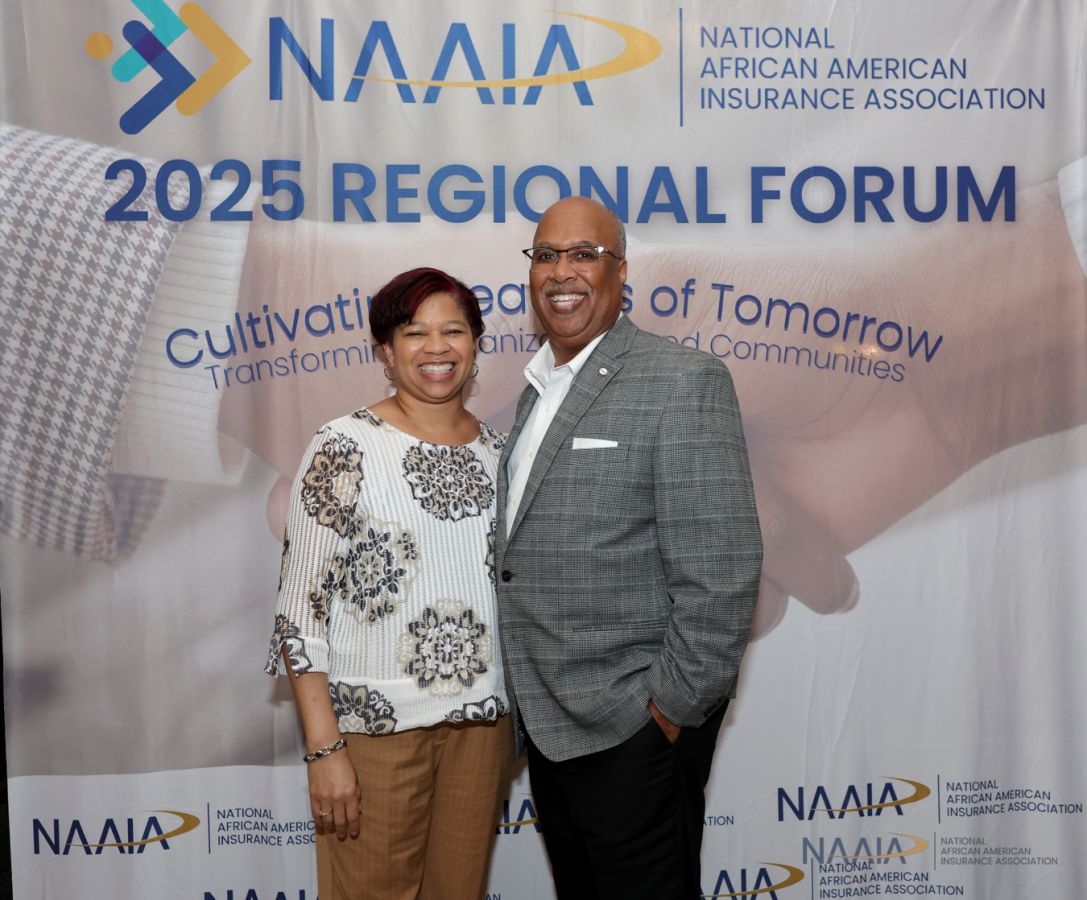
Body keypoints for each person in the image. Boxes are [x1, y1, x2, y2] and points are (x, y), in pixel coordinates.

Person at [495, 196, 764, 898]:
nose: (562, 272)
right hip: (551, 726)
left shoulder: (682, 380)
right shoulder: (537, 391)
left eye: (584, 254)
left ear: (620, 272)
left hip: (632, 728)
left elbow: (722, 570)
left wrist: (667, 709)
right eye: (546, 255)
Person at [266, 267, 513, 900]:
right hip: (374, 728)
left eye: (453, 330)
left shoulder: (501, 454)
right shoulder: (343, 446)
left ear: (476, 343)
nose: (437, 348)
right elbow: (299, 610)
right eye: (414, 332)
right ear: (385, 350)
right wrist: (324, 749)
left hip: (482, 729)